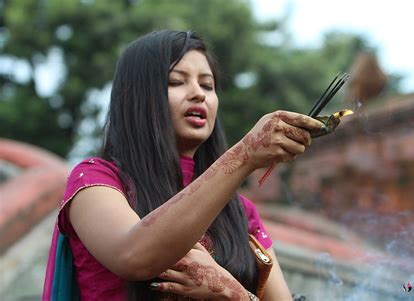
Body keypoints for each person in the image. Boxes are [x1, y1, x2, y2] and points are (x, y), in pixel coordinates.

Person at [42, 30, 325, 300]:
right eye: (176, 81)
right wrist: (244, 155)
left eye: (207, 85)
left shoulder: (240, 212)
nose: (198, 94)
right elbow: (133, 256)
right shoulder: (97, 180)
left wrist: (232, 294)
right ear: (137, 97)